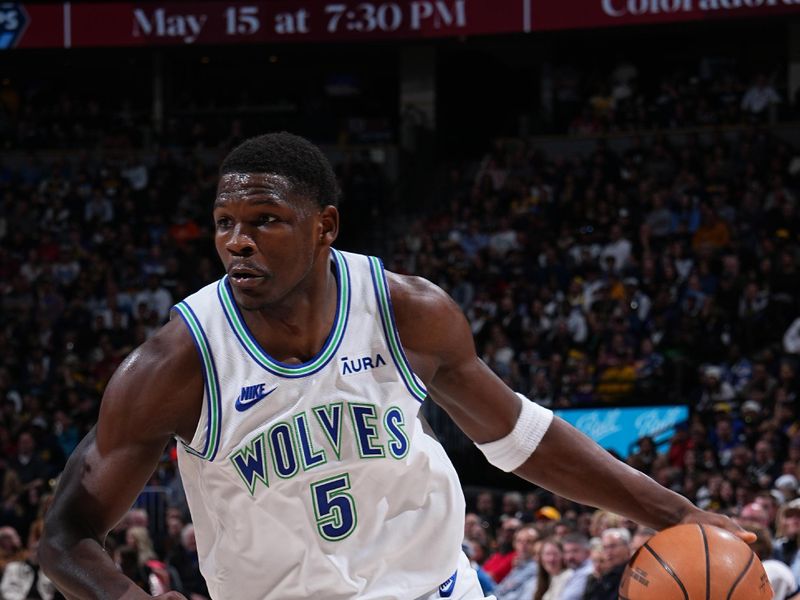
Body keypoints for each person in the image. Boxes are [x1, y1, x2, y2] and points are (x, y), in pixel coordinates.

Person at [39, 132, 754, 600]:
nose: (239, 243)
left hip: (434, 587)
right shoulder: (177, 361)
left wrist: (678, 513)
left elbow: (518, 438)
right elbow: (66, 537)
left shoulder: (407, 311)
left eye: (266, 221)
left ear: (325, 226)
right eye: (226, 223)